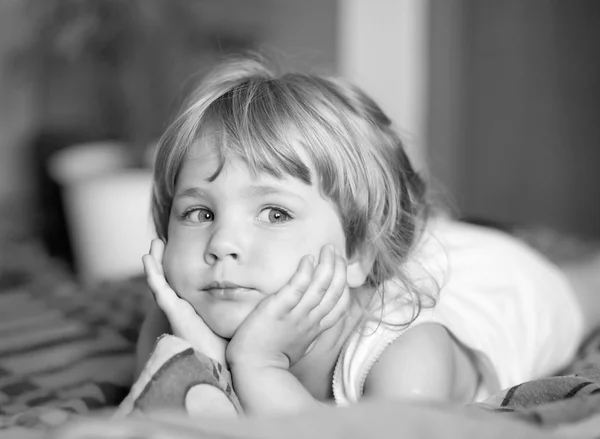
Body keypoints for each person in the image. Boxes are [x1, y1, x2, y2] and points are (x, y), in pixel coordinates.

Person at [135, 53, 595, 416]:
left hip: (497, 286)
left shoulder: (405, 356)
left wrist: (257, 367)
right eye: (198, 213)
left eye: (274, 214)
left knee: (586, 287)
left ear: (356, 252)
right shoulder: (178, 315)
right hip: (399, 256)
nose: (221, 245)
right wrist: (197, 356)